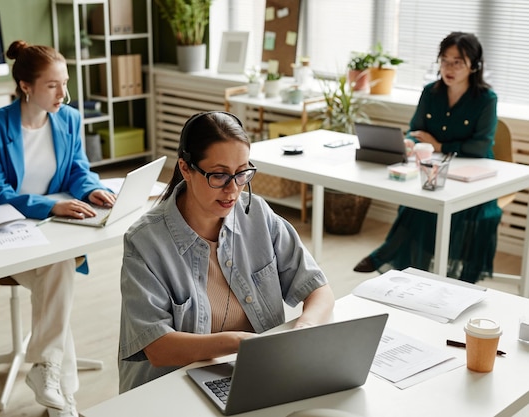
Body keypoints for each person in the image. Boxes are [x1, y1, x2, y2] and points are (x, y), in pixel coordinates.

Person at [117, 111, 335, 393]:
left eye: (242, 173)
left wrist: (304, 328)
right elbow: (158, 347)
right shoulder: (144, 241)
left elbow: (318, 289)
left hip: (250, 375)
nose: (233, 189)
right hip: (170, 390)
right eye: (219, 175)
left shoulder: (257, 213)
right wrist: (239, 344)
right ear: (185, 168)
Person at [0, 40, 116, 417]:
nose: (63, 93)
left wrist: (94, 189)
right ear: (26, 86)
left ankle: (49, 376)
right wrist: (49, 204)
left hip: (51, 232)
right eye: (52, 85)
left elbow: (77, 171)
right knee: (60, 269)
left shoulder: (68, 119)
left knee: (57, 265)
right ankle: (62, 400)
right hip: (6, 232)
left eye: (65, 82)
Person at [354, 32, 500, 283]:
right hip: (433, 168)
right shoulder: (430, 92)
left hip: (474, 174)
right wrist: (410, 141)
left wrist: (439, 143)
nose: (449, 68)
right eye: (444, 60)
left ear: (474, 66)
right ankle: (414, 274)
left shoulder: (486, 99)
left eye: (458, 62)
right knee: (419, 198)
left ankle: (392, 255)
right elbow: (415, 128)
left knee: (437, 203)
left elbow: (480, 145)